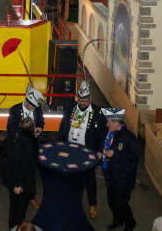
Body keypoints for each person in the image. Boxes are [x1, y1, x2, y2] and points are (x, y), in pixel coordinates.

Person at [57, 80, 106, 219]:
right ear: (77, 98)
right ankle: (69, 202)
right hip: (69, 150)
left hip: (87, 152)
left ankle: (92, 204)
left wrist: (100, 151)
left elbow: (103, 134)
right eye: (80, 100)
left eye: (85, 101)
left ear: (90, 99)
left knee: (90, 180)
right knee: (69, 178)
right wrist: (59, 145)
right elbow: (63, 127)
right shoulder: (70, 107)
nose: (82, 103)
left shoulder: (98, 113)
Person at [101, 108, 139, 231]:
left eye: (109, 122)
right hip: (111, 176)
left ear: (117, 122)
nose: (107, 124)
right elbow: (105, 150)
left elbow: (135, 158)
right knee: (111, 201)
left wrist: (115, 154)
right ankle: (118, 220)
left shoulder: (129, 138)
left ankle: (130, 222)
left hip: (123, 179)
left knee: (121, 203)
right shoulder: (110, 134)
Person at [5, 117, 38, 229]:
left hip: (13, 181)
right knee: (20, 211)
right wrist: (18, 184)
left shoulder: (15, 138)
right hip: (22, 184)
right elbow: (23, 166)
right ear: (32, 129)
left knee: (13, 209)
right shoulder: (29, 144)